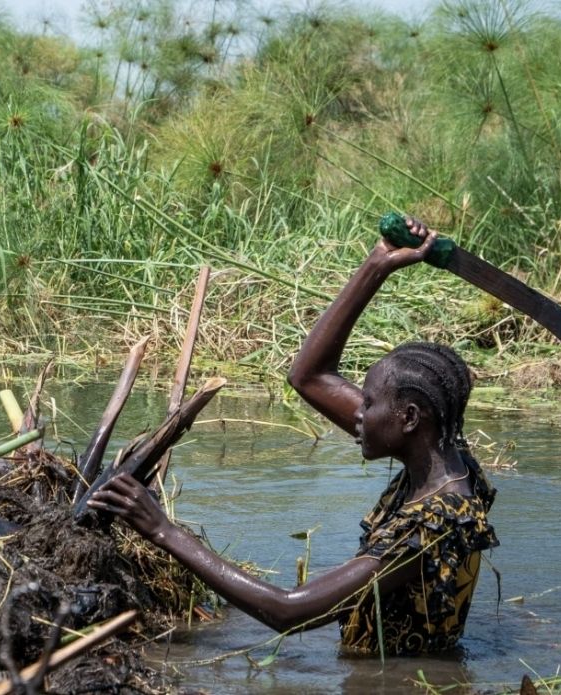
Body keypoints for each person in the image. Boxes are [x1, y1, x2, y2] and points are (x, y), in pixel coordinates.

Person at [88, 217, 499, 656]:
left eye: (371, 402)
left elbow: (288, 612)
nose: (359, 411)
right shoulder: (442, 459)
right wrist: (378, 262)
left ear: (410, 418)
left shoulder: (431, 525)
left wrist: (164, 530)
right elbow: (311, 376)